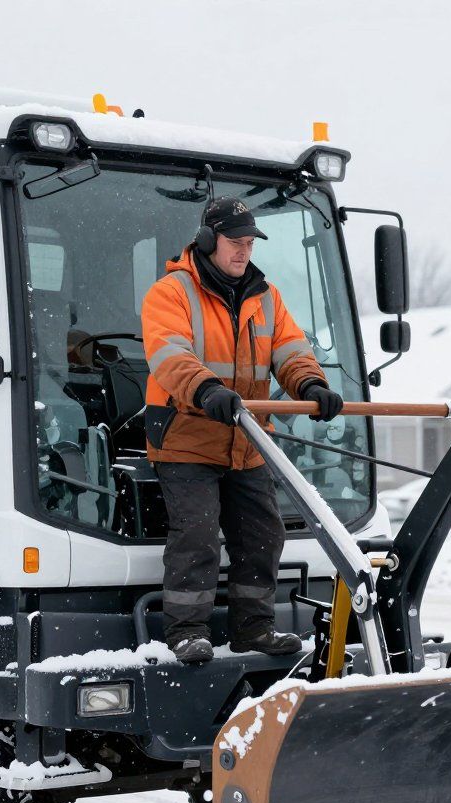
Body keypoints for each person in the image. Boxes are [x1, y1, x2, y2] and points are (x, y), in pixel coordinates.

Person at [141, 197, 343, 665]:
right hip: (187, 439)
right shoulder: (171, 292)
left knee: (263, 533)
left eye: (250, 243)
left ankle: (254, 630)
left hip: (247, 441)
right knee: (197, 536)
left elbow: (291, 349)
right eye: (236, 243)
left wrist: (311, 384)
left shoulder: (265, 297)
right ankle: (187, 631)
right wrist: (206, 389)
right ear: (209, 241)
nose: (244, 252)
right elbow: (170, 356)